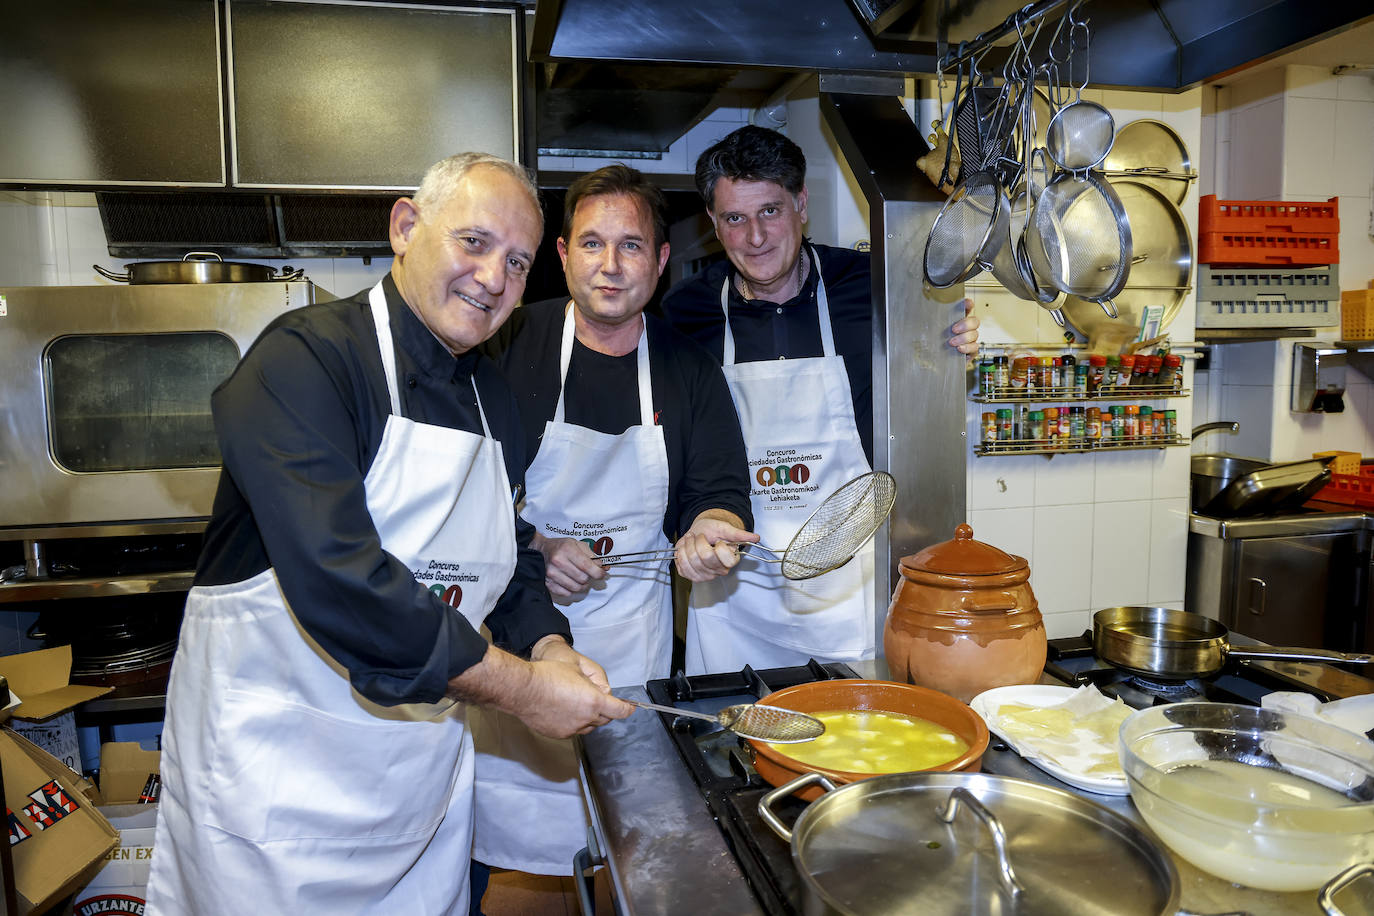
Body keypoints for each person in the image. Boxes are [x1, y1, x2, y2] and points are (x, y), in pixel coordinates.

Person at [144, 153, 634, 916]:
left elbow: (510, 563)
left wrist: (549, 646)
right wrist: (524, 690)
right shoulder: (303, 363)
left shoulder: (491, 399)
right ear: (406, 227)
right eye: (472, 242)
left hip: (415, 793)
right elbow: (343, 583)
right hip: (274, 803)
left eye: (516, 261)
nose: (493, 277)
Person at [468, 164, 756, 886]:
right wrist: (535, 545)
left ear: (660, 262)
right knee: (499, 846)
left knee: (634, 847)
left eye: (632, 246)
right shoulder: (507, 344)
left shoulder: (688, 370)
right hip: (520, 642)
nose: (610, 265)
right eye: (591, 244)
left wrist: (711, 535)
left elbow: (717, 491)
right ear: (561, 254)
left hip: (635, 640)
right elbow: (466, 496)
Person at [661, 125, 980, 675]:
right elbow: (675, 446)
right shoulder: (685, 314)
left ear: (801, 204)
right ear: (713, 224)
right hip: (737, 590)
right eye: (735, 219)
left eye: (770, 211)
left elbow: (933, 352)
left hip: (848, 584)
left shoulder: (875, 285)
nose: (755, 236)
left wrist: (958, 339)